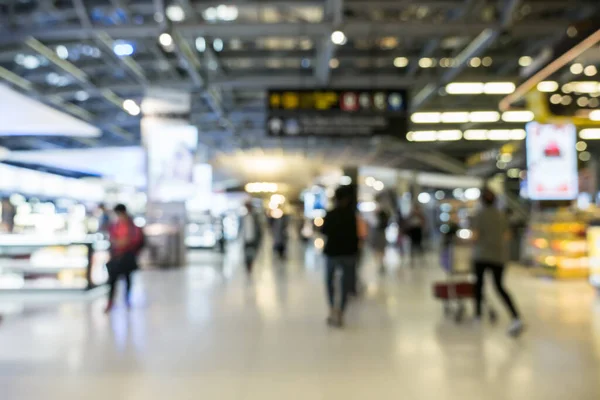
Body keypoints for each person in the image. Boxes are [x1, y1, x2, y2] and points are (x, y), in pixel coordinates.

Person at [472, 188, 523, 337]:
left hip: (481, 255)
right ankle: (515, 316)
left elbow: (475, 235)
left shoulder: (479, 215)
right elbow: (507, 236)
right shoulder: (502, 216)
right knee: (499, 286)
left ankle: (478, 314)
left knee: (479, 285)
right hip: (499, 256)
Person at [321, 186, 359, 327]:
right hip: (348, 253)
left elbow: (324, 231)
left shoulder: (330, 214)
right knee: (345, 284)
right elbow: (355, 236)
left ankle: (332, 308)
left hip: (332, 252)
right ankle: (340, 311)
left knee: (330, 282)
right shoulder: (351, 215)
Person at [105, 204, 143, 313]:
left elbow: (136, 240)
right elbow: (112, 239)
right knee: (112, 281)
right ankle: (110, 302)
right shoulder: (115, 225)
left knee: (127, 279)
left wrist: (126, 243)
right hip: (116, 257)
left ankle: (127, 300)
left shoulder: (132, 226)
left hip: (127, 256)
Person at [369, 199, 390, 273]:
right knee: (379, 249)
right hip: (378, 233)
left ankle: (381, 263)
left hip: (380, 233)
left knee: (380, 249)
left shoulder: (382, 215)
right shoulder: (379, 215)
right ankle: (380, 263)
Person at [242, 202, 263, 273]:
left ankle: (251, 266)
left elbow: (259, 230)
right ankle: (248, 267)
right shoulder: (243, 217)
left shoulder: (255, 217)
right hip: (246, 240)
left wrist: (259, 240)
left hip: (253, 239)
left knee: (252, 254)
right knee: (246, 255)